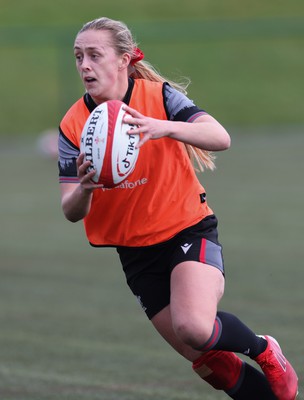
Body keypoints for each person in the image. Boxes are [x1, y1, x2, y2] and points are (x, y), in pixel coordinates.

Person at [58, 17, 298, 400]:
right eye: (78, 57)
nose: (84, 65)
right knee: (208, 360)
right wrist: (85, 188)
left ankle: (264, 348)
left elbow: (220, 137)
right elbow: (71, 209)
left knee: (194, 328)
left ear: (123, 59)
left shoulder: (159, 96)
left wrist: (163, 126)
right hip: (135, 253)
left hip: (186, 230)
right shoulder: (74, 124)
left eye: (94, 55)